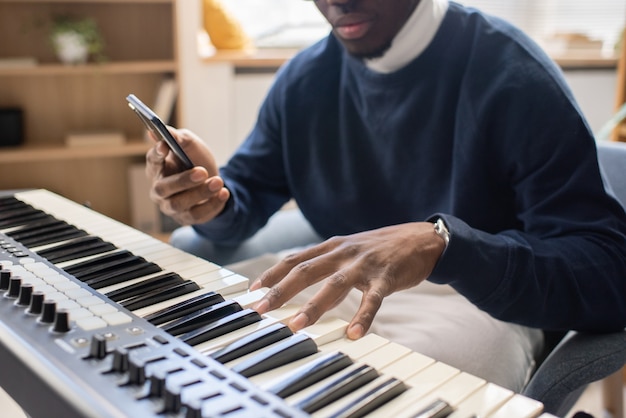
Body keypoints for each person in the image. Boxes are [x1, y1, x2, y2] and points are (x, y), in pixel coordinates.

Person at [146, 0, 626, 392]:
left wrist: (446, 246)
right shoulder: (304, 80)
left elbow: (608, 272)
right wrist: (212, 196)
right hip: (335, 277)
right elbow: (245, 203)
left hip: (473, 302)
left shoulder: (513, 76)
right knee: (182, 342)